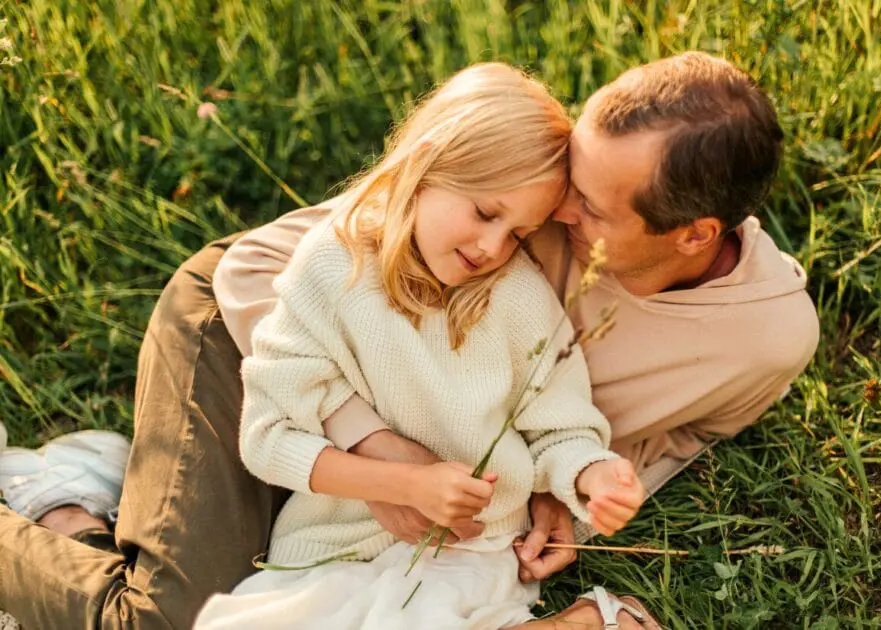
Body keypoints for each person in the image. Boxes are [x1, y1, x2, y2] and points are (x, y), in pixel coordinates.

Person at [0, 51, 818, 630]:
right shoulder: (503, 210)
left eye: (593, 208)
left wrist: (568, 492)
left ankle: (78, 503)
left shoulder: (763, 338)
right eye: (569, 179)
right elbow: (253, 273)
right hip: (247, 331)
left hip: (396, 476)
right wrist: (381, 451)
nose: (562, 212)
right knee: (162, 621)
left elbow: (682, 429)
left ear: (693, 235)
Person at [192, 62, 648, 629]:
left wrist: (591, 475)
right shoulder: (330, 269)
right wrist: (406, 484)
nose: (492, 247)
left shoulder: (518, 297)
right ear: (427, 160)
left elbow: (559, 427)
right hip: (333, 544)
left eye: (520, 235)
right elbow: (269, 438)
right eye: (485, 212)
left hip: (468, 552)